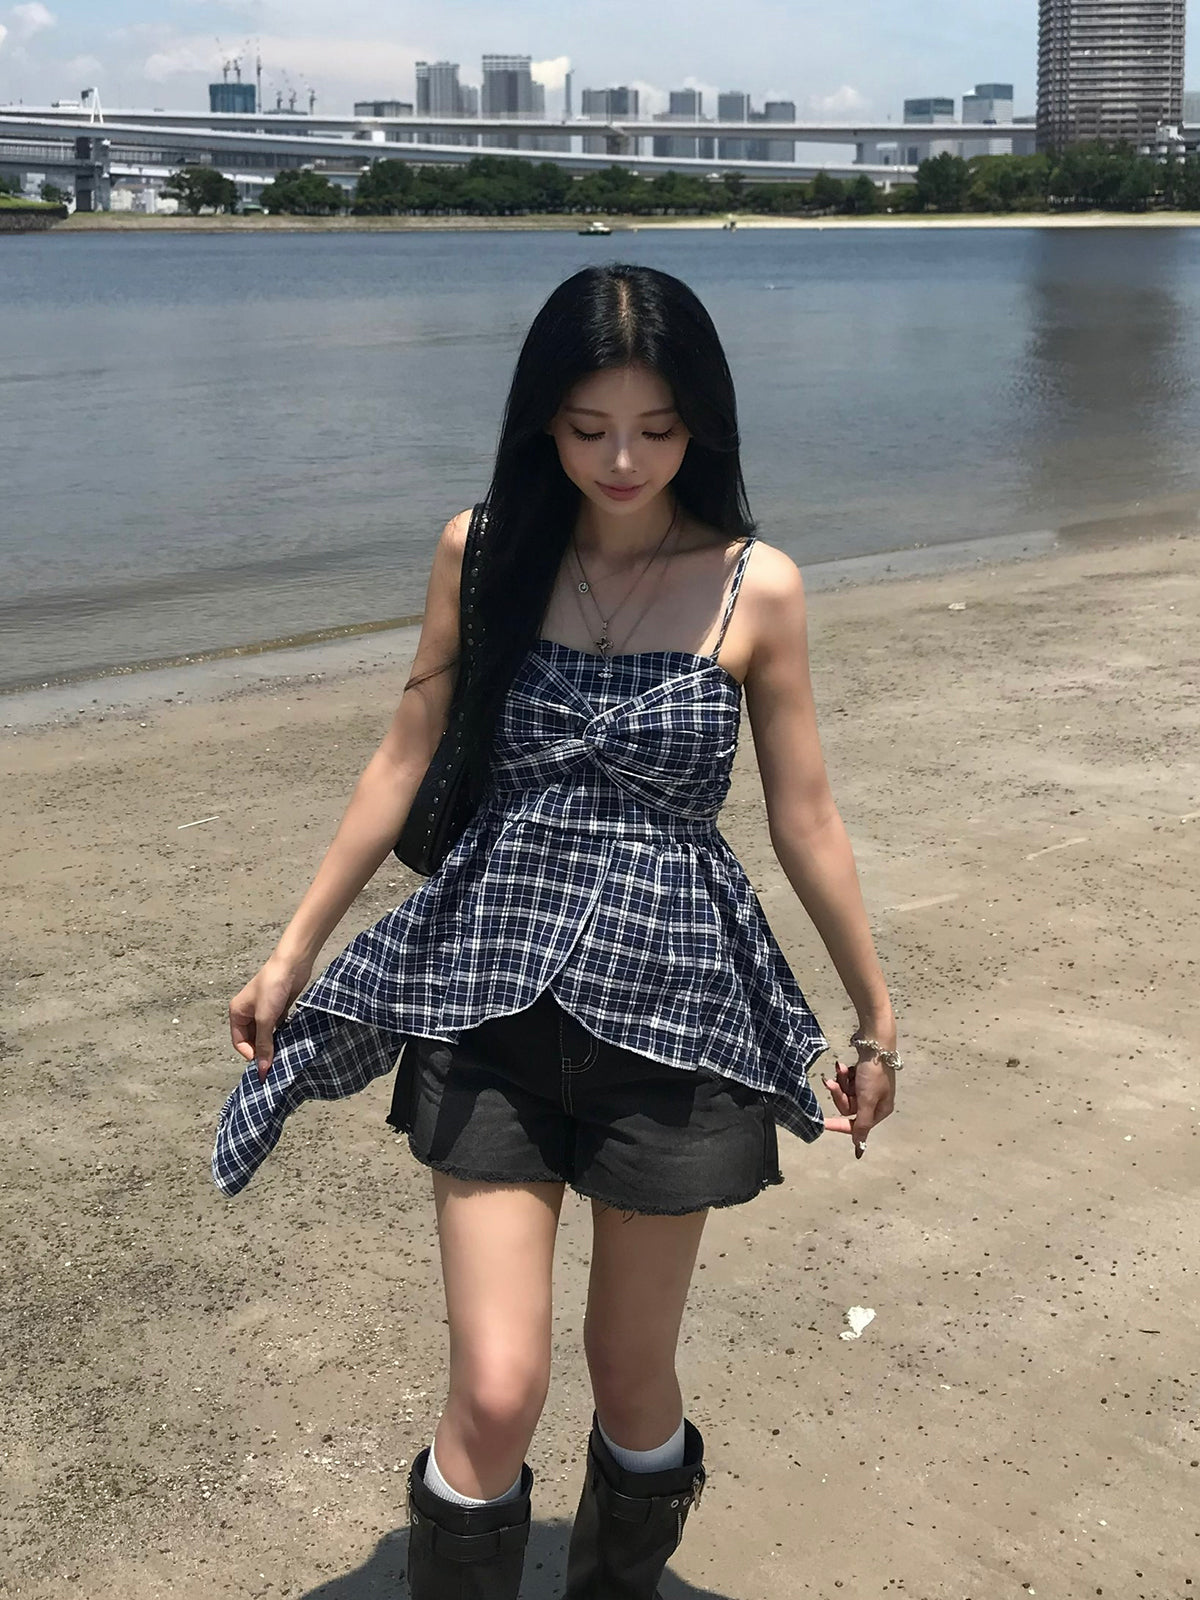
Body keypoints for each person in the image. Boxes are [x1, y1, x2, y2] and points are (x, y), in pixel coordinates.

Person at [225, 263, 898, 1599]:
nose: (624, 460)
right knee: (495, 1384)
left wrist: (874, 1015)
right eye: (590, 429)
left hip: (676, 1014)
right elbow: (404, 751)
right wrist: (293, 948)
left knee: (632, 1378)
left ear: (703, 424)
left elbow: (806, 816)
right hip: (490, 993)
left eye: (657, 429)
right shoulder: (483, 552)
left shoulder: (757, 588)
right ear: (545, 420)